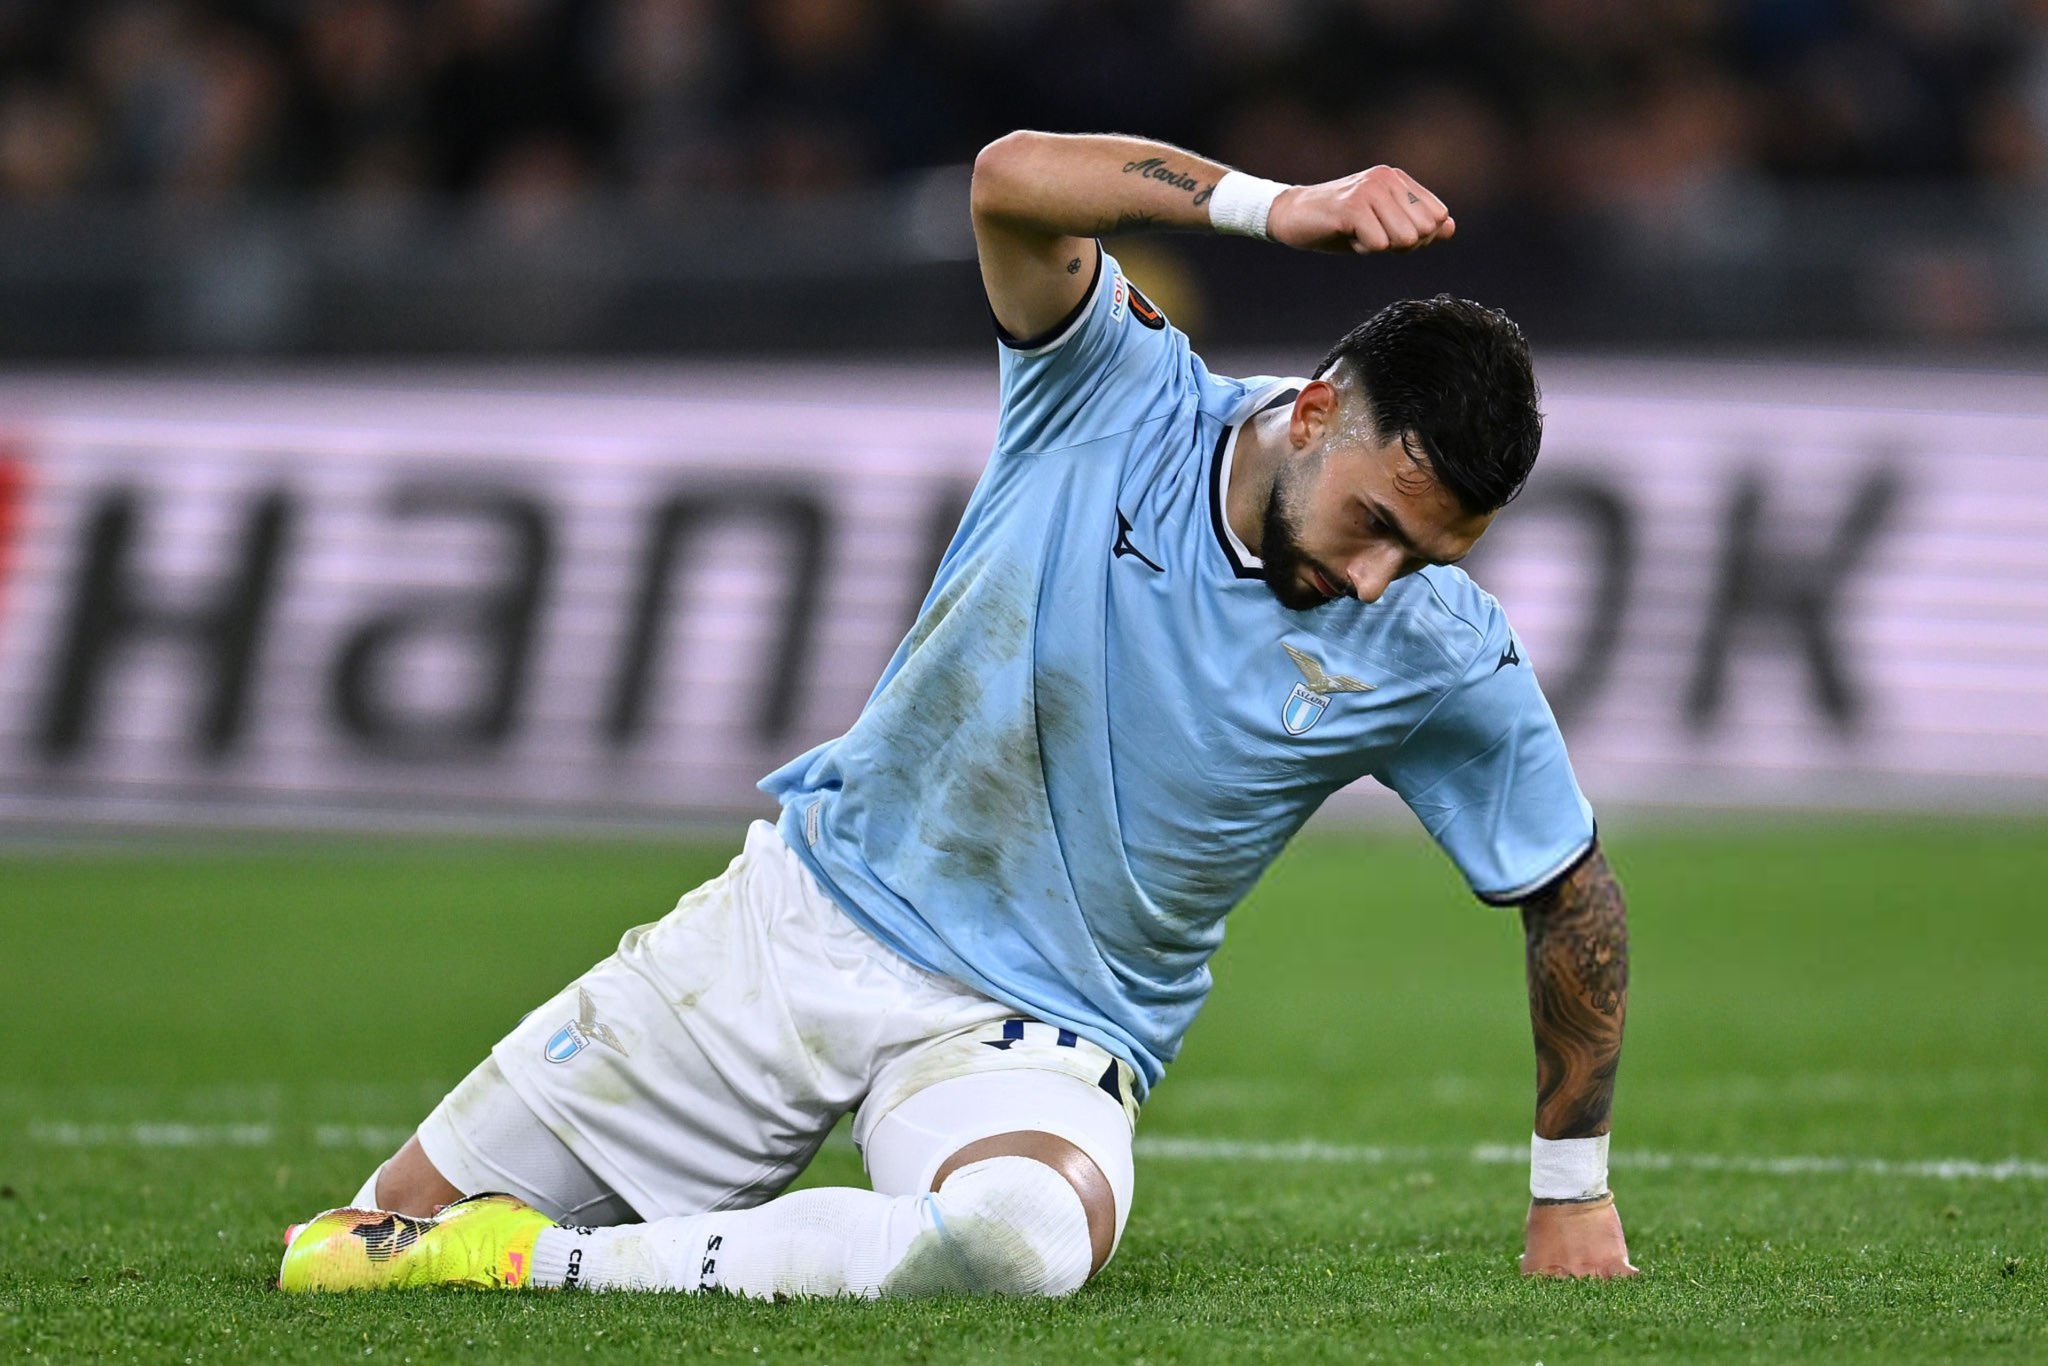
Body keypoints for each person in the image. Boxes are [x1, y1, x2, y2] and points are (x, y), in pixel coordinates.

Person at [279, 130, 1637, 1297]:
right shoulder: (1121, 390)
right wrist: (1271, 207)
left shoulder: (1437, 649)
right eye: (1376, 524)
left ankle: (530, 1262)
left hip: (1038, 1033)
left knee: (1019, 1238)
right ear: (1320, 411)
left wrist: (1570, 1188)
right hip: (806, 918)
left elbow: (1570, 892)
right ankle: (566, 1234)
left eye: (1425, 557)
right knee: (359, 1240)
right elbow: (1010, 181)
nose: (1376, 578)